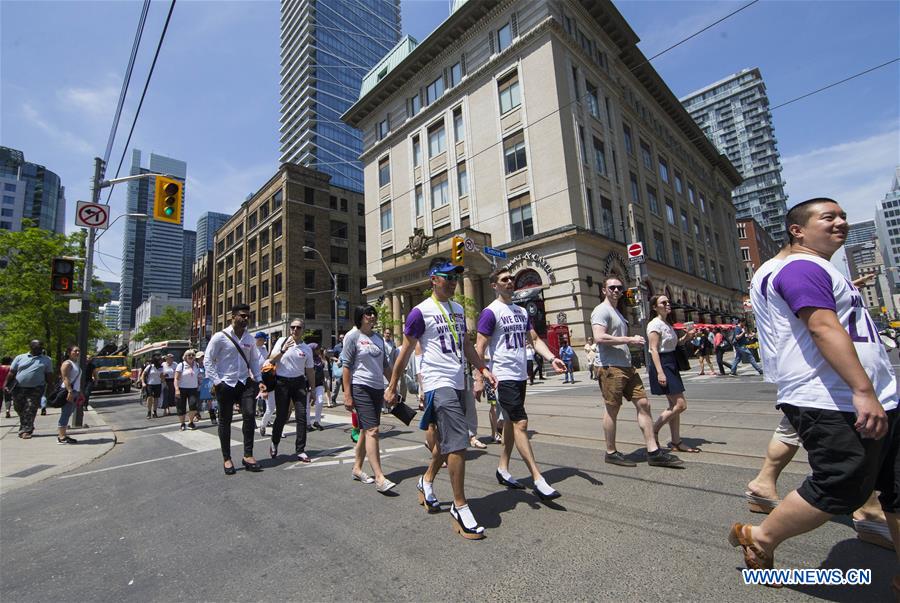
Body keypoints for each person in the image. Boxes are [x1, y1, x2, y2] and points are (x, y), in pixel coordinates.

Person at [728, 198, 900, 583]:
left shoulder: (815, 268)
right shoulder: (800, 267)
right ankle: (759, 536)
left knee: (895, 487)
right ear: (798, 230)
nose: (841, 222)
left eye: (842, 216)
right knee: (841, 486)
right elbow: (822, 326)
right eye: (829, 217)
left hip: (878, 395)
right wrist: (862, 390)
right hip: (831, 397)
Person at [385, 258, 498, 539]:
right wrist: (393, 384)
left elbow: (467, 345)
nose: (452, 281)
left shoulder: (459, 309)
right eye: (447, 276)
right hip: (438, 384)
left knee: (446, 446)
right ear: (433, 279)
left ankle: (425, 482)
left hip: (459, 381)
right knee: (459, 442)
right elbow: (406, 351)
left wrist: (483, 369)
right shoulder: (418, 312)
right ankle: (460, 507)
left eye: (456, 277)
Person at [475, 267, 568, 500]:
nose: (510, 282)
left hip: (520, 376)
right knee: (521, 423)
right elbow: (479, 347)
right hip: (503, 376)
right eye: (504, 280)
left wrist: (552, 358)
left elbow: (534, 339)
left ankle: (502, 469)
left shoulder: (521, 311)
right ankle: (538, 478)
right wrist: (479, 377)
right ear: (494, 285)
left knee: (508, 422)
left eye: (511, 279)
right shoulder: (490, 312)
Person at [591, 277, 683, 468]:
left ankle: (653, 452)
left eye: (619, 287)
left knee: (644, 404)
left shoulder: (617, 311)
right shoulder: (601, 310)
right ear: (604, 290)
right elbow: (599, 337)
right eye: (612, 287)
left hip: (626, 366)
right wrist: (629, 339)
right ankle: (611, 452)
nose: (616, 290)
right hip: (610, 367)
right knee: (612, 409)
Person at [204, 304, 264, 475]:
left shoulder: (250, 339)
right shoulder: (219, 337)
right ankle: (227, 458)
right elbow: (208, 360)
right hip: (226, 383)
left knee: (250, 415)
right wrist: (217, 382)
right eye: (242, 316)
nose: (245, 319)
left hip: (244, 382)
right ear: (233, 317)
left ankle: (248, 455)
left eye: (248, 316)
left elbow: (253, 361)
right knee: (225, 420)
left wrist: (259, 380)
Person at [342, 305, 396, 492]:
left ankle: (357, 468)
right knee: (373, 430)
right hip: (360, 387)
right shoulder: (353, 337)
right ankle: (380, 478)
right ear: (360, 317)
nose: (372, 316)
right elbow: (346, 367)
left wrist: (393, 385)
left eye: (374, 313)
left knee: (366, 431)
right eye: (368, 314)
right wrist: (347, 394)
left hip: (377, 388)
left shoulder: (379, 338)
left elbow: (385, 365)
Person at [647, 295, 700, 454]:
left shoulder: (667, 324)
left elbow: (675, 344)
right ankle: (653, 430)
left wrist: (687, 337)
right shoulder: (654, 324)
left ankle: (676, 441)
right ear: (655, 307)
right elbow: (654, 350)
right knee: (680, 405)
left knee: (674, 406)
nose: (668, 304)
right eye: (663, 302)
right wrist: (660, 373)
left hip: (671, 363)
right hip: (663, 364)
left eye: (668, 302)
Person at [267, 318, 314, 461]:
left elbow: (310, 370)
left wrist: (312, 389)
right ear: (289, 329)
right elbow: (271, 360)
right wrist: (283, 349)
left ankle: (300, 449)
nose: (295, 330)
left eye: (298, 327)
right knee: (281, 416)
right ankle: (274, 443)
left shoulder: (306, 349)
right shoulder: (281, 341)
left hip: (299, 382)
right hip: (282, 382)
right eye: (293, 327)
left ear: (302, 330)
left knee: (302, 417)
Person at [4, 340, 54, 439]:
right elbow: (12, 372)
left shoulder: (46, 360)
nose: (40, 349)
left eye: (41, 347)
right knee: (19, 408)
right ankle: (26, 424)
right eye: (38, 347)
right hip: (18, 387)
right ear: (31, 347)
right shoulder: (20, 358)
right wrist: (5, 384)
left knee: (30, 408)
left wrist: (50, 387)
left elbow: (49, 374)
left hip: (36, 388)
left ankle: (26, 430)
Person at [57, 345, 82, 444]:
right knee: (65, 413)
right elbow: (65, 378)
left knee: (68, 413)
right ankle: (61, 437)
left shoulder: (75, 363)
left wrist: (79, 392)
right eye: (75, 351)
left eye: (78, 351)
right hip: (68, 391)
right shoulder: (67, 363)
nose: (77, 353)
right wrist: (70, 391)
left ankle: (63, 434)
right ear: (69, 352)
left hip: (75, 391)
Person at [174, 349, 201, 431]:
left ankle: (191, 422)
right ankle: (182, 423)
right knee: (181, 407)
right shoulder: (181, 365)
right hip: (182, 388)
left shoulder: (197, 365)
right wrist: (177, 389)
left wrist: (199, 383)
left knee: (193, 405)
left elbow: (198, 376)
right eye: (189, 355)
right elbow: (176, 378)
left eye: (193, 355)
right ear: (185, 357)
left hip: (193, 388)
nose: (191, 356)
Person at [140, 354, 164, 419]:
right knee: (149, 397)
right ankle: (149, 412)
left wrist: (164, 379)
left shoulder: (161, 367)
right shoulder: (150, 366)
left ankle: (154, 412)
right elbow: (143, 374)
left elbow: (161, 377)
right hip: (150, 384)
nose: (161, 361)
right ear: (156, 361)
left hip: (158, 384)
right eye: (159, 360)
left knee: (156, 398)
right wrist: (143, 382)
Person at [308, 345, 326, 431]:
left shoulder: (319, 358)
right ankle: (307, 423)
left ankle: (317, 421)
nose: (319, 350)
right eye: (317, 349)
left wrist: (325, 384)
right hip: (308, 384)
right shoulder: (307, 358)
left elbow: (322, 371)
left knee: (320, 401)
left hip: (319, 383)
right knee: (307, 405)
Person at [196, 352, 216, 424]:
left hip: (207, 385)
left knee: (210, 402)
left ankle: (213, 417)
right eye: (201, 357)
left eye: (203, 356)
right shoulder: (195, 366)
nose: (202, 358)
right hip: (198, 386)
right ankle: (197, 415)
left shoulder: (207, 365)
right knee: (198, 402)